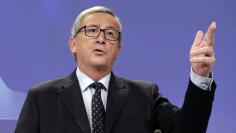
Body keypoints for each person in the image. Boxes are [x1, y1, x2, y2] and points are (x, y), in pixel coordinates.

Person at [15, 6, 217, 133]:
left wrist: (200, 75)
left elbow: (189, 129)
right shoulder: (42, 98)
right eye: (92, 30)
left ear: (118, 48)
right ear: (73, 44)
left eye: (110, 33)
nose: (101, 38)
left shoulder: (145, 96)